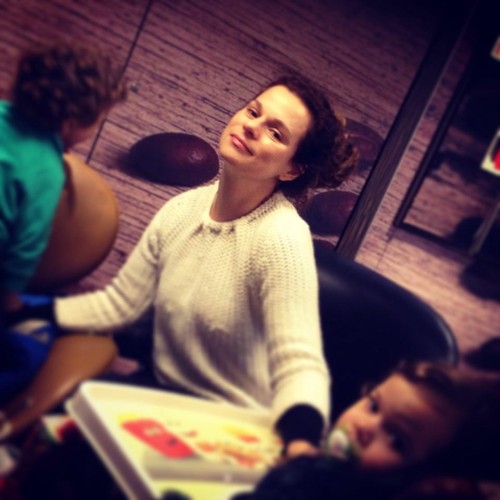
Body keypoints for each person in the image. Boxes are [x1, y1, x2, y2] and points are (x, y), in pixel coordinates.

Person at [7, 72, 358, 457]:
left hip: (237, 427)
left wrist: (301, 443)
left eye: (275, 133)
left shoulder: (282, 237)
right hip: (163, 399)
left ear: (291, 169)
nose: (252, 127)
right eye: (253, 111)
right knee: (46, 448)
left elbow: (299, 360)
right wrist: (27, 312)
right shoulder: (181, 209)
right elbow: (120, 306)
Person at [232, 338, 500, 499]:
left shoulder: (334, 486)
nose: (364, 427)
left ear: (421, 477)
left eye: (396, 439)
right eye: (373, 406)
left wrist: (298, 473)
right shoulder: (327, 464)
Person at [0, 41, 127, 318]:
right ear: (68, 125)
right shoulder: (47, 171)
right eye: (98, 121)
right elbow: (26, 245)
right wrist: (10, 305)